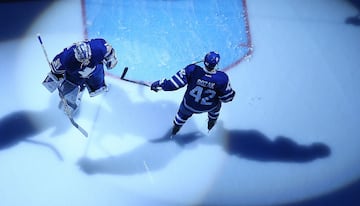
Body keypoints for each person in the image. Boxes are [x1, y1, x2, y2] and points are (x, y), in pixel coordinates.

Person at [150, 51, 235, 136]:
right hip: (209, 107)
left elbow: (173, 85)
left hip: (189, 105)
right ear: (216, 63)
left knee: (181, 115)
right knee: (216, 108)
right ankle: (211, 125)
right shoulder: (222, 78)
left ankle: (174, 131)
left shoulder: (192, 69)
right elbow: (227, 98)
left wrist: (160, 84)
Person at [42, 38, 118, 116]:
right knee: (71, 92)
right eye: (82, 61)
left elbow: (110, 52)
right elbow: (55, 71)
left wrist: (111, 61)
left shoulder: (99, 47)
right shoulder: (65, 58)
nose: (86, 63)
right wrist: (53, 80)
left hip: (95, 71)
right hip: (75, 76)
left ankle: (98, 87)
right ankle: (71, 102)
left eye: (87, 59)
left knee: (98, 85)